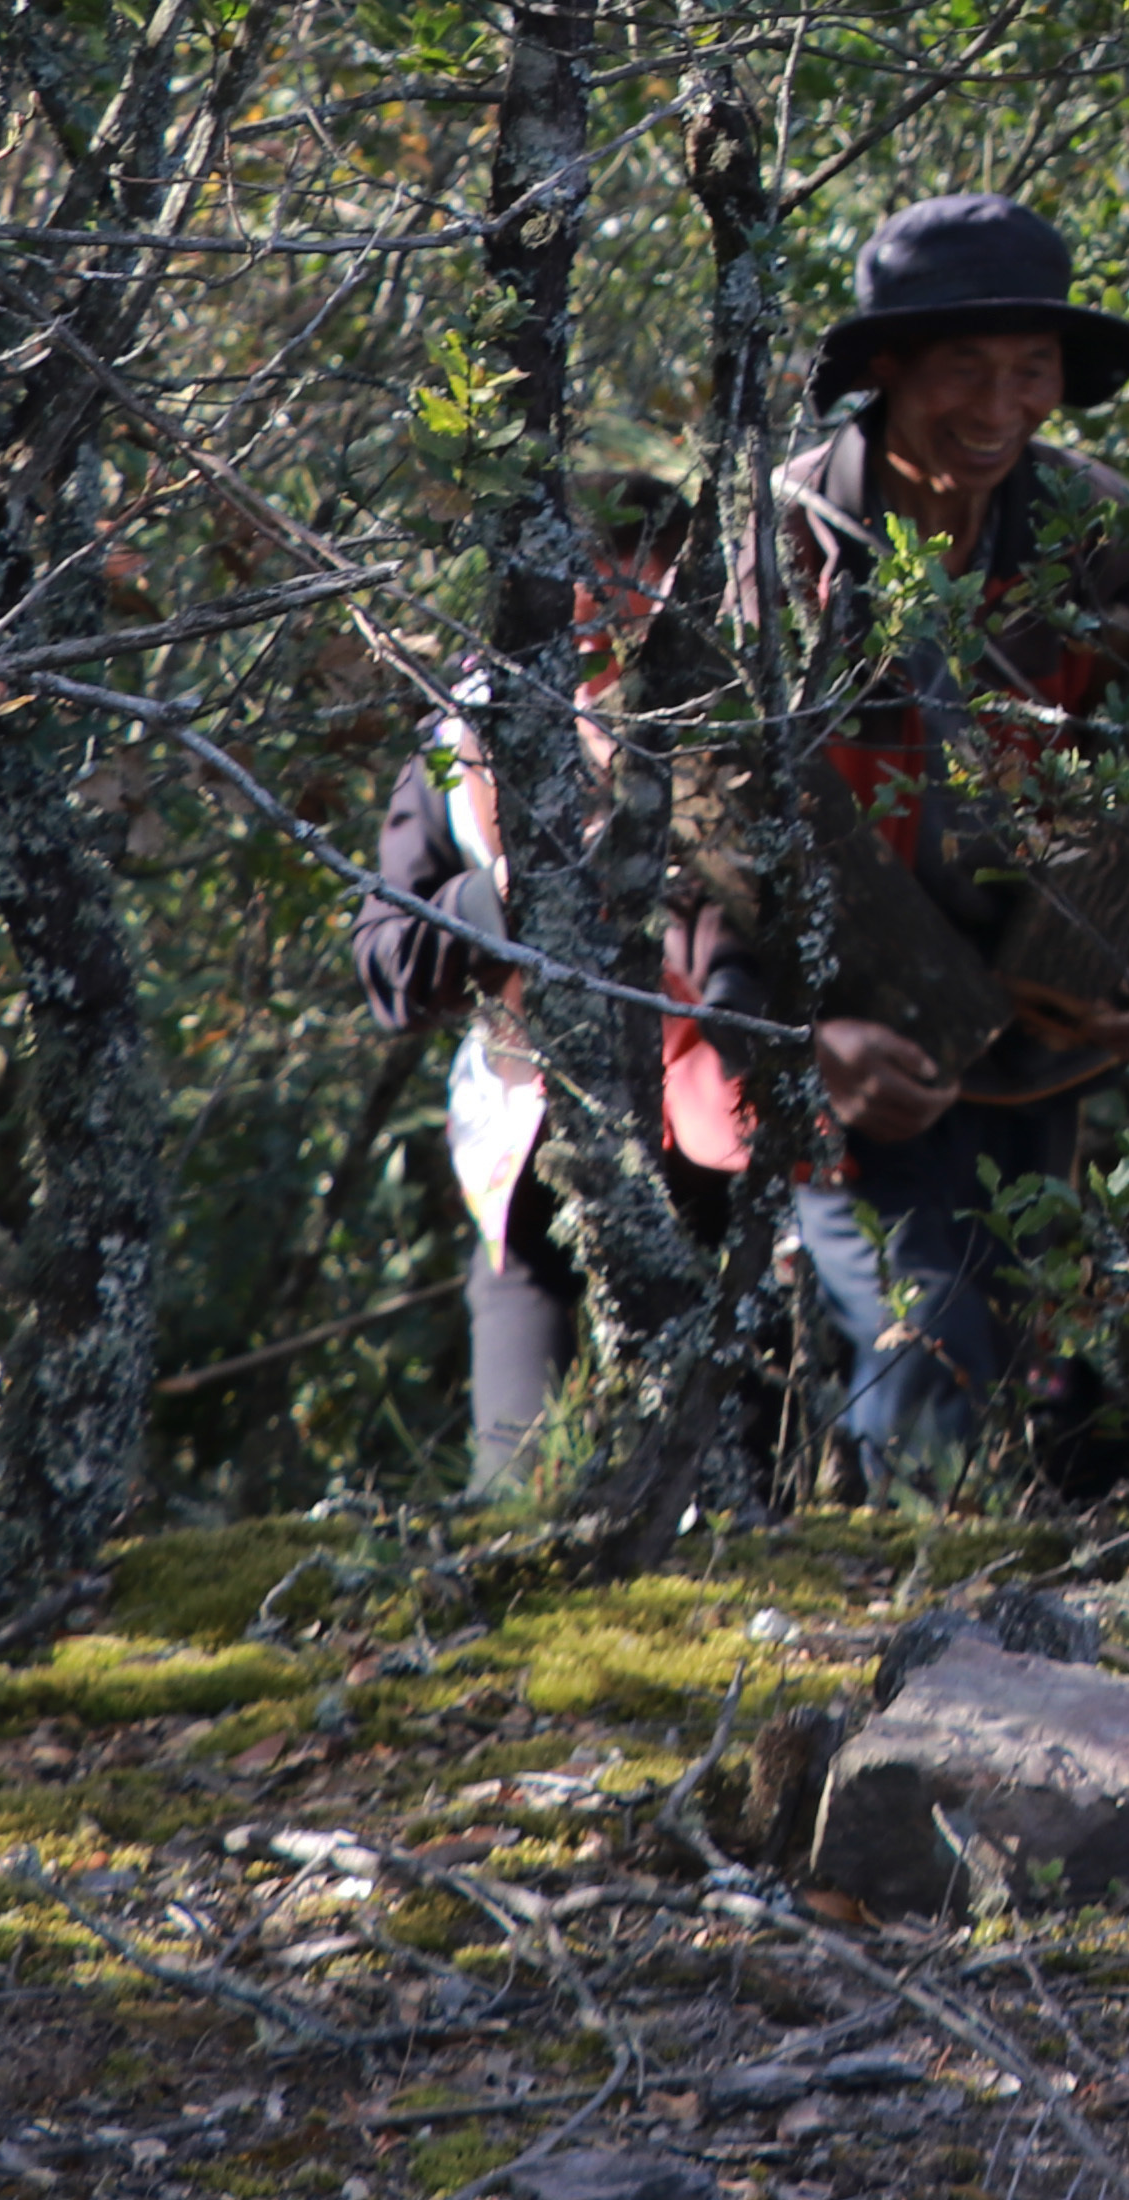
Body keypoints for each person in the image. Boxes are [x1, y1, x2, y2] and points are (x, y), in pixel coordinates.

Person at [747, 193, 1129, 1494]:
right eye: (964, 366)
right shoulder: (769, 553)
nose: (1002, 406)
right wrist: (801, 1047)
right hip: (840, 1051)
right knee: (928, 1376)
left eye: (1033, 371)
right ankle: (896, 1646)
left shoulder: (1107, 546)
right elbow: (684, 858)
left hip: (1059, 1055)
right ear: (885, 370)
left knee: (1109, 1403)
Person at [349, 477, 756, 1496]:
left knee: (737, 1494)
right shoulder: (465, 733)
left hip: (719, 1146)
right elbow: (387, 961)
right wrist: (503, 910)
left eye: (650, 580)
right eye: (594, 579)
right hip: (530, 1153)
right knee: (516, 1489)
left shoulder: (735, 724)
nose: (616, 610)